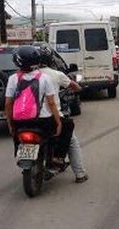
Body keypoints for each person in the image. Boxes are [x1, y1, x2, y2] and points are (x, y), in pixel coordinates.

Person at [38, 48, 89, 183]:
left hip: (28, 118)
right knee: (71, 140)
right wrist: (79, 88)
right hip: (51, 117)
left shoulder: (26, 75)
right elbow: (74, 86)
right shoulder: (56, 74)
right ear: (51, 60)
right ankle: (79, 174)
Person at [4, 46, 62, 156]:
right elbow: (51, 103)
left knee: (17, 136)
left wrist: (10, 123)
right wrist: (58, 122)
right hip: (42, 120)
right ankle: (50, 160)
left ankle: (19, 152)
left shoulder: (13, 79)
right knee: (51, 138)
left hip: (20, 121)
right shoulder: (45, 78)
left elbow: (8, 104)